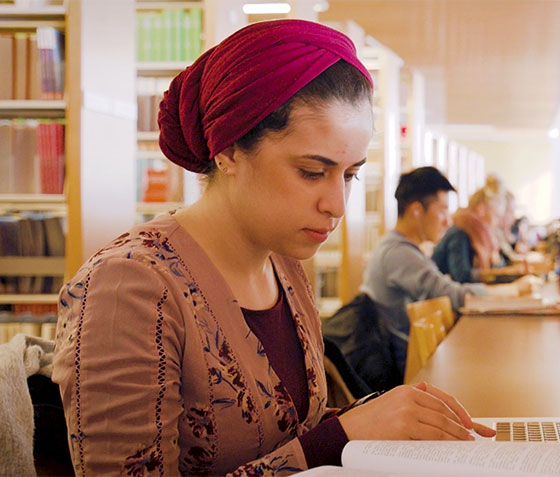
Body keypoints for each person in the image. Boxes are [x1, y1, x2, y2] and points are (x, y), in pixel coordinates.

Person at [52, 20, 494, 476]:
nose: (337, 205)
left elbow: (282, 431)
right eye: (310, 171)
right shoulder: (129, 287)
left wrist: (379, 420)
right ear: (228, 152)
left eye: (349, 174)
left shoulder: (283, 264)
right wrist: (339, 437)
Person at [359, 167, 488, 380]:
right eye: (443, 210)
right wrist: (509, 292)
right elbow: (450, 294)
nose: (448, 220)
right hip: (403, 371)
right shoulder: (398, 253)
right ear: (416, 210)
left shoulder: (398, 247)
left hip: (409, 361)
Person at [431, 187, 524, 283]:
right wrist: (503, 274)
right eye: (496, 216)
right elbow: (461, 276)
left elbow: (497, 264)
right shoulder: (459, 232)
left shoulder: (482, 236)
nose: (498, 223)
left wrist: (511, 273)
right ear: (481, 209)